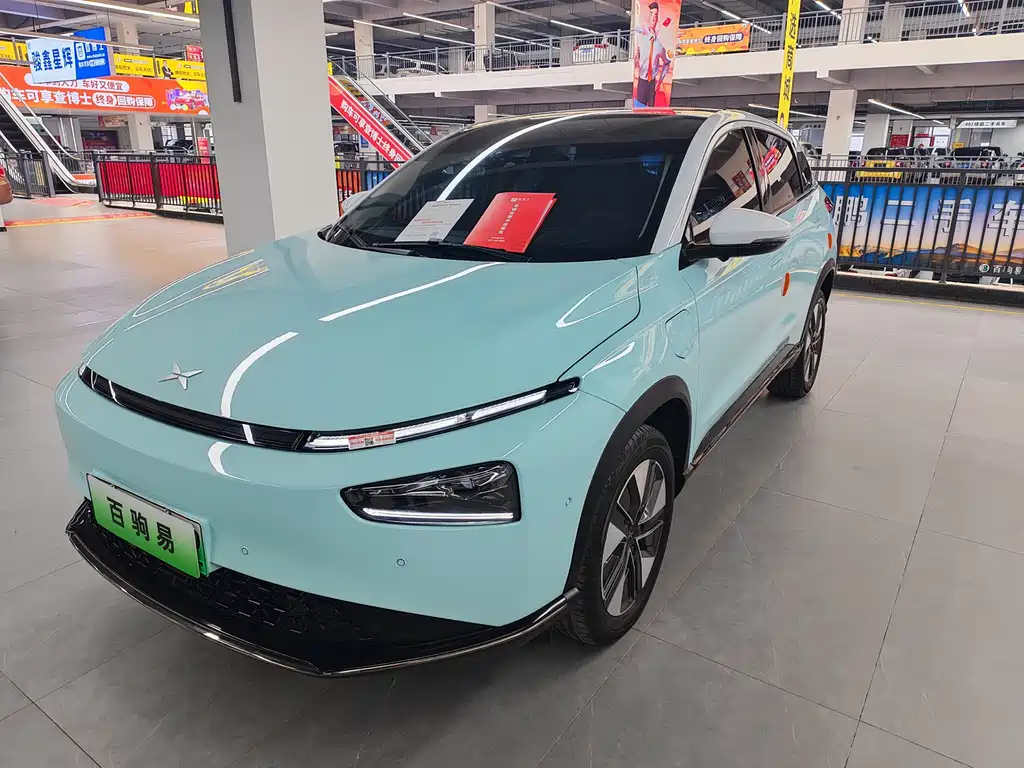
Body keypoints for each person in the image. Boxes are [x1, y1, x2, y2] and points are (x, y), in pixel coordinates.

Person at [633, 1, 670, 107]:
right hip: (642, 80)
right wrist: (636, 60)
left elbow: (667, 62)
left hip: (652, 82)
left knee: (652, 110)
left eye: (656, 15)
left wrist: (661, 79)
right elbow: (636, 58)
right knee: (640, 109)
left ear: (657, 18)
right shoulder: (641, 38)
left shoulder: (659, 45)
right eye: (651, 14)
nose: (653, 18)